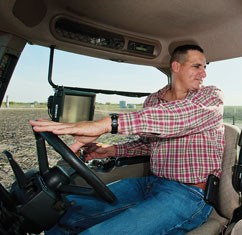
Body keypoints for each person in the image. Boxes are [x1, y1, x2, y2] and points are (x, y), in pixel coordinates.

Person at [30, 44, 225, 235]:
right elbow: (149, 145)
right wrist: (112, 150)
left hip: (189, 195)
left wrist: (107, 124)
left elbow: (178, 117)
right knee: (64, 214)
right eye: (197, 66)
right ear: (176, 66)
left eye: (205, 67)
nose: (204, 73)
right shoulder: (153, 100)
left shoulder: (210, 96)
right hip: (151, 184)